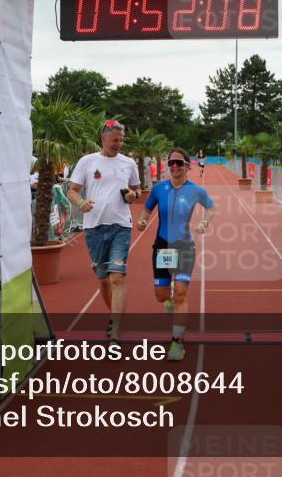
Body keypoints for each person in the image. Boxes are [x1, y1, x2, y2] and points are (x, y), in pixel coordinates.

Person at [137, 146, 216, 361]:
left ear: (187, 166)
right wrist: (142, 220)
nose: (174, 166)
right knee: (161, 295)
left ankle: (177, 341)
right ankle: (168, 298)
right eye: (171, 162)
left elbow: (211, 208)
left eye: (179, 163)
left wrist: (204, 222)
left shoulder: (195, 190)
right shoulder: (159, 188)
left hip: (184, 246)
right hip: (163, 246)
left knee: (181, 293)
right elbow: (146, 208)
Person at [66, 119, 141, 343]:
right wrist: (81, 204)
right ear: (103, 138)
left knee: (117, 277)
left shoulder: (128, 163)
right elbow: (72, 191)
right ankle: (114, 315)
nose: (118, 143)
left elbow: (137, 192)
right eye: (114, 139)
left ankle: (115, 333)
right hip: (94, 228)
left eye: (121, 140)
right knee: (104, 280)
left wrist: (132, 195)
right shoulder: (87, 161)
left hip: (121, 226)